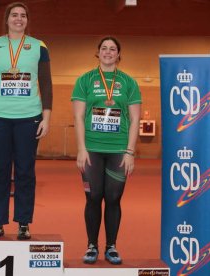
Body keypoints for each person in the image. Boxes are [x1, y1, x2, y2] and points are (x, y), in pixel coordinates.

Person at [0, 2, 53, 240]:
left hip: (29, 117)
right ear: (6, 19)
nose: (19, 19)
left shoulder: (39, 47)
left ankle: (24, 223)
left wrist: (46, 118)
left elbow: (47, 85)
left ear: (27, 20)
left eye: (23, 15)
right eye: (14, 15)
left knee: (25, 171)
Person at [71, 36, 141, 265]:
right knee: (92, 197)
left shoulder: (129, 82)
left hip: (118, 151)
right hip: (91, 149)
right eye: (104, 48)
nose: (108, 52)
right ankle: (92, 245)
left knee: (113, 198)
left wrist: (130, 152)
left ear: (119, 54)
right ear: (98, 52)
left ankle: (111, 246)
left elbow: (135, 118)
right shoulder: (85, 80)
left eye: (113, 49)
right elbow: (79, 117)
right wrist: (81, 149)